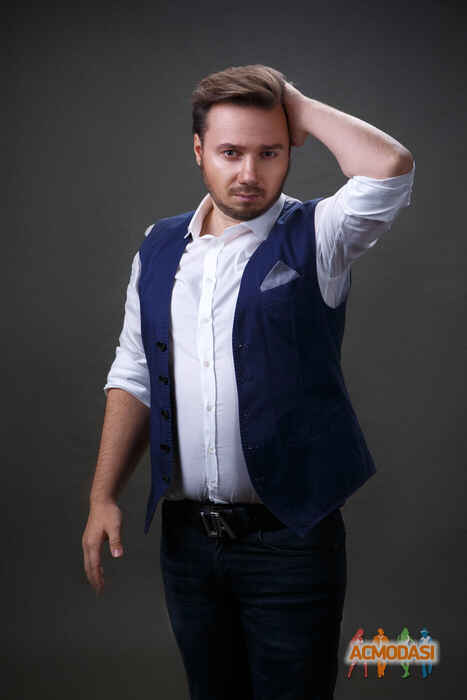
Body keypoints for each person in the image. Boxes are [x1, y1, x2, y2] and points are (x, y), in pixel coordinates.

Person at [82, 64, 415, 699]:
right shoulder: (158, 246)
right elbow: (135, 372)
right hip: (188, 542)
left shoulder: (320, 233)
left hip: (291, 540)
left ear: (291, 149)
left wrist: (297, 105)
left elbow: (390, 166)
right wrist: (103, 496)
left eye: (270, 152)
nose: (249, 174)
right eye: (231, 152)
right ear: (198, 150)